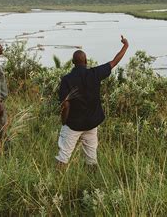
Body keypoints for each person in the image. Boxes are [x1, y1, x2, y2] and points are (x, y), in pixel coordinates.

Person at [55, 35, 129, 166]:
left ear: (73, 62)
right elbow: (114, 62)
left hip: (73, 124)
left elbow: (65, 105)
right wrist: (125, 46)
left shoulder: (67, 79)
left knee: (63, 157)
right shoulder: (95, 74)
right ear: (86, 61)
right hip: (91, 123)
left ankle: (56, 184)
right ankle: (92, 181)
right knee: (91, 159)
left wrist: (64, 121)